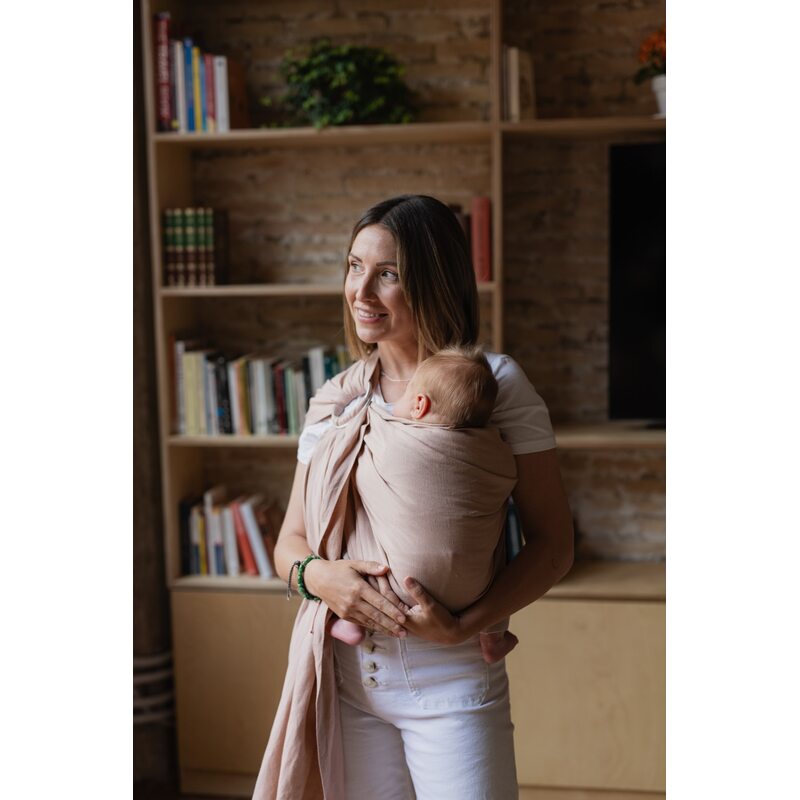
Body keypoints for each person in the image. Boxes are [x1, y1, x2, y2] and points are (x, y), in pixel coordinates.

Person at [253, 195, 574, 800]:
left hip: (453, 681)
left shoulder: (494, 386)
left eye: (388, 274)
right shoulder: (336, 400)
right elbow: (289, 543)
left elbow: (554, 545)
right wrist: (321, 578)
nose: (360, 291)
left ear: (433, 282)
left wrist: (464, 626)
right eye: (354, 267)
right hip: (349, 683)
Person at [327, 345, 521, 665]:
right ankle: (493, 636)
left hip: (399, 589)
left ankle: (349, 621)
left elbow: (355, 433)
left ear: (420, 405)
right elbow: (508, 478)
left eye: (405, 397)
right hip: (476, 595)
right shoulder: (495, 450)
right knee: (493, 542)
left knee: (361, 520)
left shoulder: (393, 440)